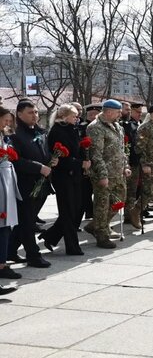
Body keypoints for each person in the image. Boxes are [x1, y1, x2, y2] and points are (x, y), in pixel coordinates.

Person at [7, 101, 53, 267]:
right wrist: (38, 167)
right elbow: (15, 160)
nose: (34, 115)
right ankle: (34, 256)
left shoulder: (40, 132)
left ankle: (10, 251)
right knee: (27, 222)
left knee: (26, 220)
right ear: (19, 114)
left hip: (41, 183)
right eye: (30, 112)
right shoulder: (15, 134)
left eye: (35, 112)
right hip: (24, 184)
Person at [40, 104, 85, 255]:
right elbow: (58, 159)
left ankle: (50, 235)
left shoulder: (72, 129)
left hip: (75, 174)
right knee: (68, 211)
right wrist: (80, 163)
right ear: (64, 117)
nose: (76, 118)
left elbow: (75, 151)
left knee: (77, 209)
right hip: (63, 176)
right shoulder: (57, 131)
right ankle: (72, 246)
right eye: (74, 116)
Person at [86, 100, 131, 249]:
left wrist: (125, 166)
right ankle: (101, 235)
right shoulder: (95, 127)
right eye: (118, 112)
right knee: (102, 205)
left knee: (119, 202)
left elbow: (121, 150)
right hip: (104, 174)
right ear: (109, 112)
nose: (121, 114)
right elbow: (96, 154)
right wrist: (102, 175)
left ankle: (97, 225)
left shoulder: (117, 126)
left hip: (118, 173)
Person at [0, 106, 22, 291]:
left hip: (6, 180)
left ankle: (2, 263)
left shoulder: (5, 136)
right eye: (4, 120)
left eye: (9, 120)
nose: (7, 124)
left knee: (6, 225)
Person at [79, 104, 100, 227]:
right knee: (85, 193)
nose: (92, 117)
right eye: (90, 114)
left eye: (95, 114)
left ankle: (96, 217)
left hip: (98, 164)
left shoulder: (101, 127)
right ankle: (88, 212)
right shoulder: (82, 127)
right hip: (86, 164)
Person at [123, 102, 144, 227]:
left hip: (136, 161)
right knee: (127, 191)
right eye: (137, 112)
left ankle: (130, 214)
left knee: (133, 190)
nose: (138, 114)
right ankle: (128, 214)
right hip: (128, 162)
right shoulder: (126, 125)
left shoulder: (135, 124)